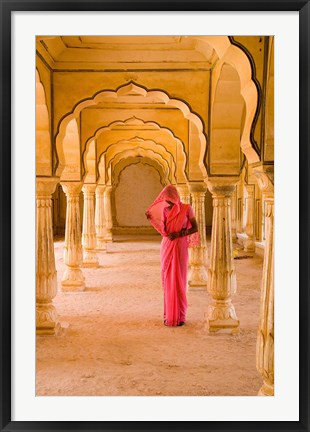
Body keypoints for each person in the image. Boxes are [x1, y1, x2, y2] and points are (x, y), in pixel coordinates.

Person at [145, 185, 199, 327]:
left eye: (169, 199)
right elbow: (164, 230)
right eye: (165, 199)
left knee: (179, 279)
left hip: (180, 246)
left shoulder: (187, 208)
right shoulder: (164, 210)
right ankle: (169, 315)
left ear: (175, 197)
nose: (167, 202)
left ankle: (180, 316)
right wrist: (151, 218)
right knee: (169, 280)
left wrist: (180, 234)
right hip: (167, 246)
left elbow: (195, 228)